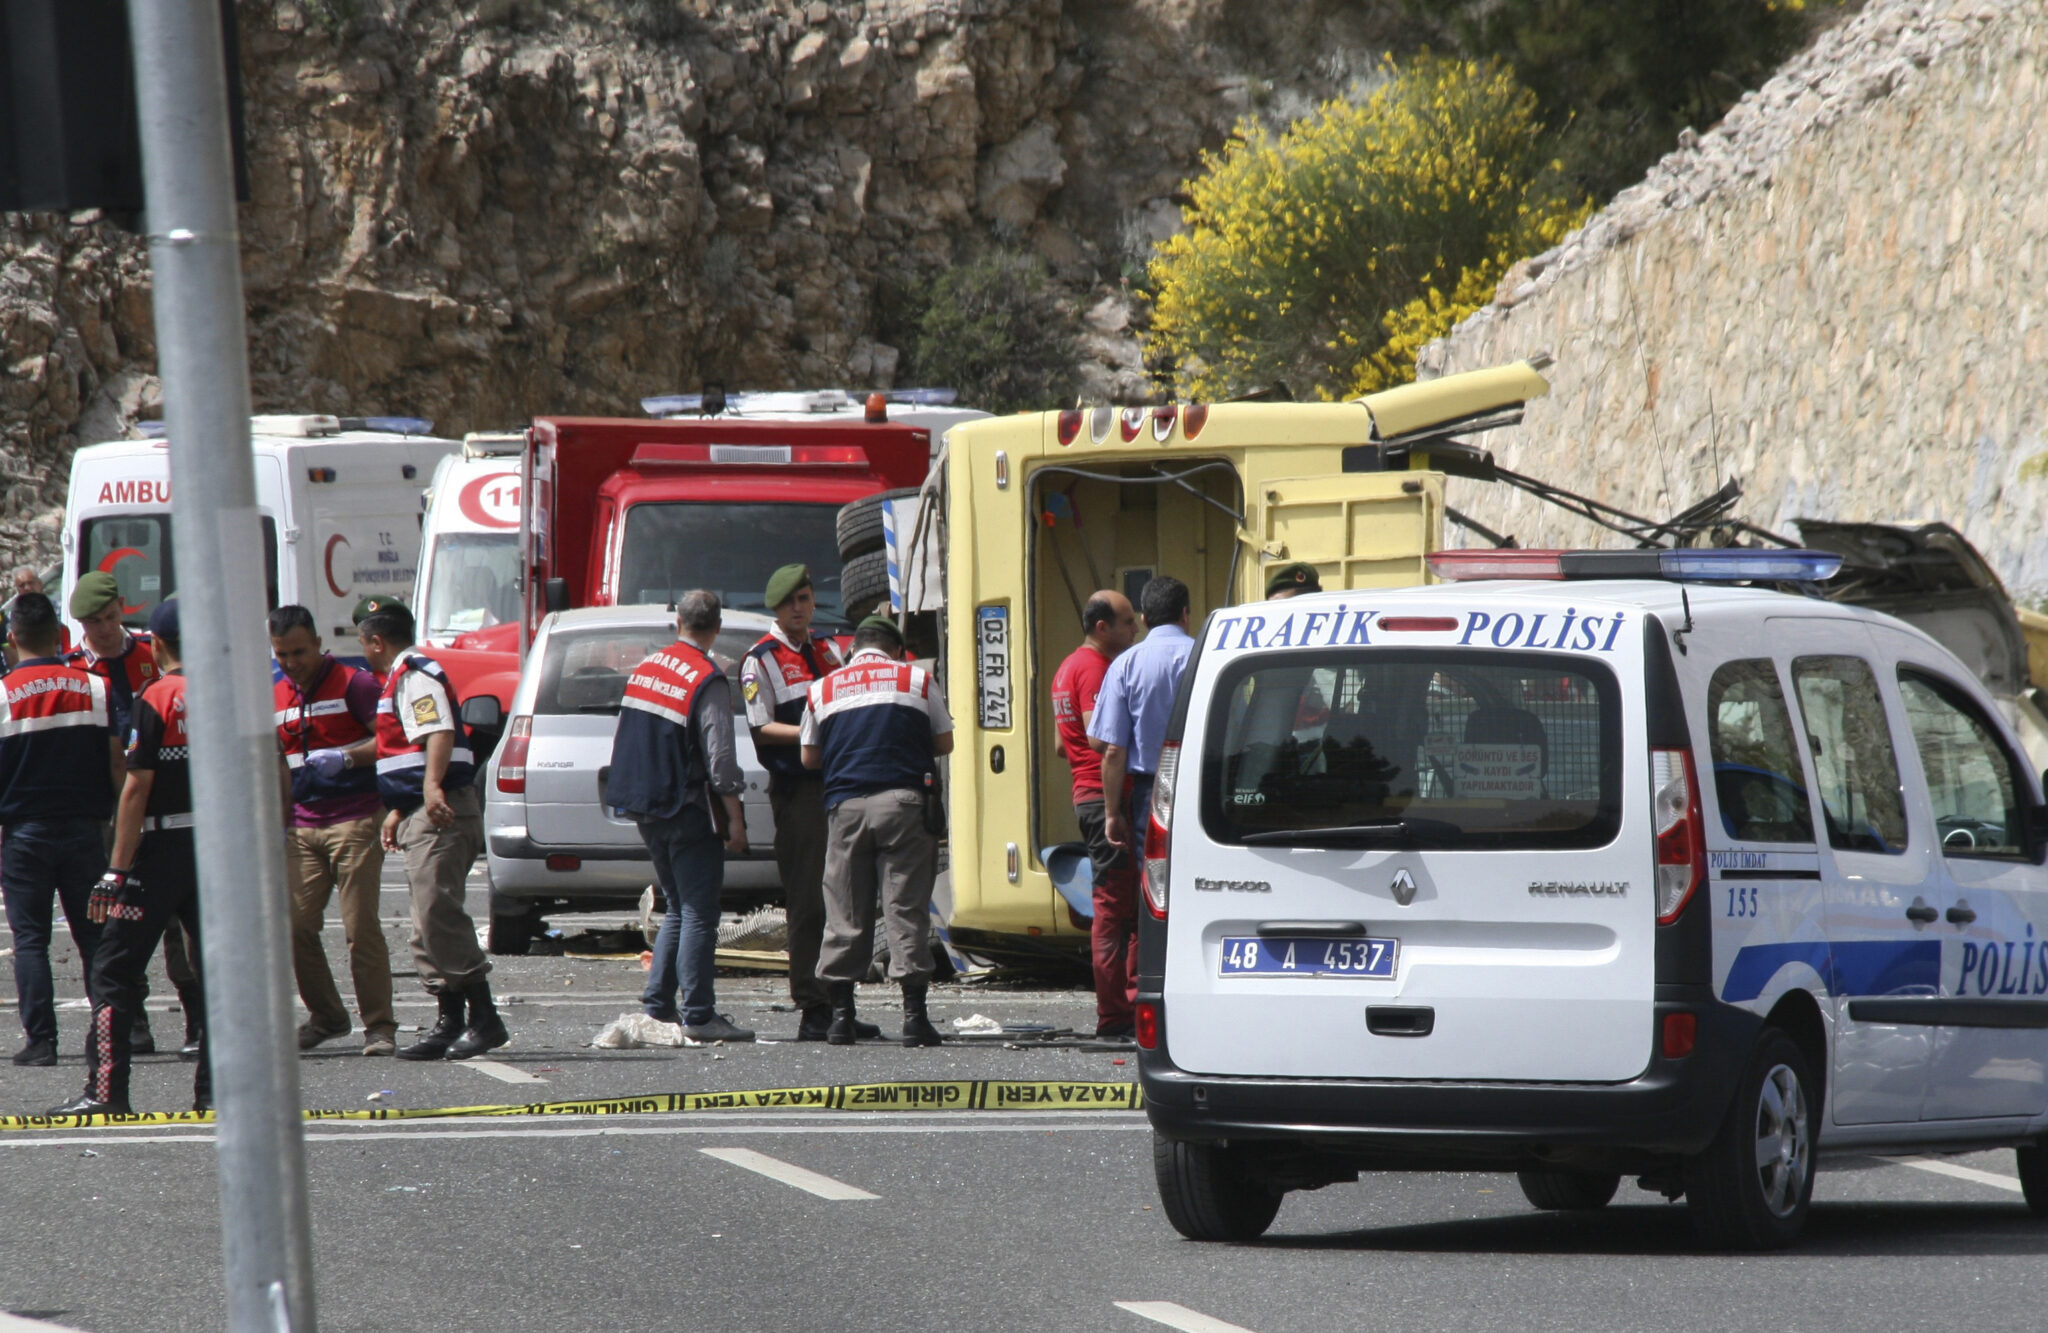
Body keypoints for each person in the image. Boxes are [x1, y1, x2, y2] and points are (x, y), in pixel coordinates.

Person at [51, 598, 213, 1115]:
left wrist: (116, 869)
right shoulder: (231, 695)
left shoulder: (157, 696)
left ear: (157, 644)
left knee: (113, 971)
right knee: (220, 974)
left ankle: (105, 1092)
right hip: (217, 850)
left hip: (159, 851)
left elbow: (137, 786)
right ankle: (218, 1091)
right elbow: (273, 772)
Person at [356, 603, 507, 1061]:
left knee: (439, 913)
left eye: (364, 643)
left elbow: (438, 731)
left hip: (440, 808)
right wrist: (400, 808)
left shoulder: (415, 674)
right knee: (425, 922)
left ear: (376, 641)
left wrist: (431, 787)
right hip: (421, 808)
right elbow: (409, 751)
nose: (363, 652)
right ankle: (451, 1018)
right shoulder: (401, 677)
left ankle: (484, 1018)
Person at [801, 615, 955, 1047]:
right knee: (904, 907)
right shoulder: (918, 680)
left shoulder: (823, 688)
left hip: (845, 807)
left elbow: (810, 758)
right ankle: (913, 1019)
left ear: (855, 650)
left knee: (845, 908)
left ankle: (841, 1018)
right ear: (895, 650)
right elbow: (944, 743)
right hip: (904, 805)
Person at [740, 563, 878, 1042]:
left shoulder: (827, 649)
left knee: (848, 897)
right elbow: (761, 728)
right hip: (799, 790)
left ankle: (841, 999)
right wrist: (813, 732)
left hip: (840, 782)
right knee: (808, 901)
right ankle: (812, 1005)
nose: (799, 608)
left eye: (804, 598)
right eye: (789, 603)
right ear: (776, 609)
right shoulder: (761, 659)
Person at [610, 590, 753, 1043]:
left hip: (645, 804)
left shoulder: (647, 668)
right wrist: (736, 818)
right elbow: (721, 760)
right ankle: (699, 1014)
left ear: (677, 622)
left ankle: (658, 1004)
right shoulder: (708, 677)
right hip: (687, 806)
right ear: (717, 627)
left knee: (676, 904)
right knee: (699, 912)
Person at [65, 570, 191, 1056]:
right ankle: (133, 1021)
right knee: (115, 921)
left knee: (179, 925)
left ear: (122, 608)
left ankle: (196, 1019)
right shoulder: (76, 668)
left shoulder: (151, 654)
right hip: (107, 807)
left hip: (158, 803)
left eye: (110, 618)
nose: (103, 629)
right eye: (92, 623)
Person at [0, 593, 122, 1066]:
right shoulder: (95, 687)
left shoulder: (4, 694)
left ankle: (42, 1041)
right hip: (85, 829)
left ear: (13, 638)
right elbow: (115, 761)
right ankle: (106, 1035)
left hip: (25, 832)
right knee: (95, 938)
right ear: (60, 636)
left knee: (30, 940)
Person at [270, 605, 396, 1057]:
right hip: (303, 826)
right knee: (294, 926)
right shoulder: (278, 694)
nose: (291, 662)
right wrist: (280, 824)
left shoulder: (355, 684)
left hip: (355, 819)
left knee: (360, 928)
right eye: (282, 654)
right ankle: (327, 1017)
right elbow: (279, 765)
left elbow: (390, 740)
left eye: (299, 652)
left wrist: (347, 757)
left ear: (319, 644)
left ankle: (379, 1027)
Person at [1051, 590, 1142, 1039]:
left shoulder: (1066, 668)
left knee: (1116, 905)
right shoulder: (1093, 669)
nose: (1135, 629)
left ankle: (1120, 1009)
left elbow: (1058, 744)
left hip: (1083, 792)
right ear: (1102, 628)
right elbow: (1099, 739)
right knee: (1115, 910)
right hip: (1105, 795)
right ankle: (1115, 1014)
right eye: (1127, 622)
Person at [1089, 576, 1196, 861]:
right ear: (1185, 614)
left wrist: (1112, 814)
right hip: (1202, 785)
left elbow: (1112, 749)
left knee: (1154, 879)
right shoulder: (1204, 656)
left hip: (1150, 791)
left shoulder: (1125, 665)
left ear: (1145, 618)